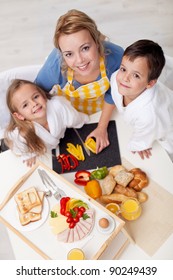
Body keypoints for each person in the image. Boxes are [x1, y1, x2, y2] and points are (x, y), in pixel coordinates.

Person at [35, 9, 123, 149]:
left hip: (102, 107)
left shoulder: (116, 57)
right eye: (69, 54)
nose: (80, 60)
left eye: (85, 48)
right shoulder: (55, 66)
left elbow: (113, 92)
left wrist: (101, 128)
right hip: (67, 111)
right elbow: (36, 95)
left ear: (97, 41)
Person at [91, 39, 173, 160]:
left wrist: (137, 145)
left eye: (136, 75)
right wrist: (101, 127)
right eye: (123, 69)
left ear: (150, 83)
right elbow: (113, 95)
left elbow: (143, 138)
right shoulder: (116, 79)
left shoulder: (149, 115)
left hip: (166, 125)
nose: (125, 78)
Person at [5, 79, 89, 167]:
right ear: (19, 115)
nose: (34, 104)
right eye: (25, 105)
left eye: (36, 97)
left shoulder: (58, 106)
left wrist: (85, 120)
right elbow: (18, 149)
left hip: (65, 142)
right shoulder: (21, 135)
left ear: (43, 95)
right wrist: (30, 155)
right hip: (46, 155)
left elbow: (75, 118)